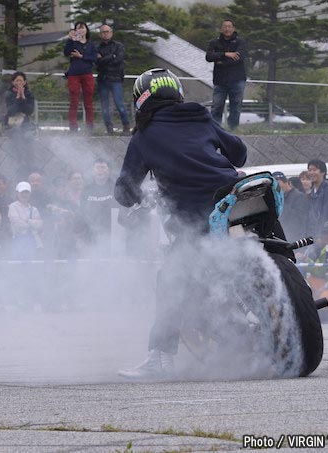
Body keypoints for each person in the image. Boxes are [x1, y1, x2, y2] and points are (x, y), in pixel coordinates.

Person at [115, 68, 247, 378]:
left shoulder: (145, 135)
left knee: (171, 279)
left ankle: (160, 358)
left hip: (197, 214)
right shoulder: (200, 117)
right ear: (177, 93)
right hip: (232, 197)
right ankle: (297, 285)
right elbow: (239, 153)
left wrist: (133, 194)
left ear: (141, 99)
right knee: (264, 236)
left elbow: (124, 189)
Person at [205, 19, 247, 130]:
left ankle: (232, 129)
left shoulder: (240, 42)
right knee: (216, 106)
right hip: (220, 81)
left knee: (236, 107)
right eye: (225, 26)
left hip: (237, 80)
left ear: (233, 28)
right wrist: (226, 54)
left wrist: (220, 60)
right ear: (221, 28)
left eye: (229, 26)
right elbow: (209, 57)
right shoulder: (214, 42)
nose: (227, 29)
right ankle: (215, 130)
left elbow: (239, 58)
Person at [96, 24, 130, 134]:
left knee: (119, 103)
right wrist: (111, 57)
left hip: (116, 78)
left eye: (107, 31)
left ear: (111, 32)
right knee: (104, 106)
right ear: (100, 34)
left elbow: (118, 59)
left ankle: (126, 127)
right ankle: (109, 128)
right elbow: (97, 63)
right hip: (103, 79)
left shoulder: (118, 46)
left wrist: (104, 59)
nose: (105, 34)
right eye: (103, 32)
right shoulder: (97, 48)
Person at [64, 21, 97, 132]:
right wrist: (70, 39)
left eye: (83, 28)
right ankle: (73, 126)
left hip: (87, 73)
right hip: (74, 74)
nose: (81, 30)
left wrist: (81, 56)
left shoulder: (91, 44)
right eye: (78, 28)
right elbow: (66, 52)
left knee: (88, 100)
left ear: (86, 30)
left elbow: (94, 58)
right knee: (74, 100)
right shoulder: (73, 43)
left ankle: (89, 126)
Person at [81, 158, 116, 252]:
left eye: (103, 167)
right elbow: (82, 212)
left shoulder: (116, 188)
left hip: (113, 234)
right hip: (90, 234)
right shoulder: (86, 190)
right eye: (97, 168)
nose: (100, 170)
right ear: (93, 171)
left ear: (109, 171)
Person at [8, 181, 43, 260]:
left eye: (26, 192)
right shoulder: (13, 207)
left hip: (33, 242)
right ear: (17, 193)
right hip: (18, 241)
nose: (24, 195)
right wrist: (31, 223)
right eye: (22, 192)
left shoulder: (34, 209)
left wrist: (27, 221)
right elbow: (17, 223)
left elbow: (40, 225)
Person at [306, 159, 328, 239]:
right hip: (312, 235)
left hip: (324, 236)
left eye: (315, 170)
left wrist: (321, 236)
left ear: (323, 172)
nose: (311, 173)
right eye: (310, 170)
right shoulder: (311, 193)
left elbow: (327, 215)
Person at [273, 171, 308, 241]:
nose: (276, 187)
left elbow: (299, 218)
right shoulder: (278, 198)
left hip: (297, 236)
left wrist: (282, 204)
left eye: (278, 183)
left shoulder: (299, 196)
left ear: (286, 182)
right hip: (283, 235)